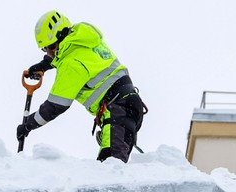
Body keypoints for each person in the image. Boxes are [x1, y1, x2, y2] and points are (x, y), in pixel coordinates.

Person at [16, 11, 145, 163]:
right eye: (45, 49)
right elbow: (65, 53)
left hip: (117, 111)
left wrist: (28, 125)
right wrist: (43, 65)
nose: (49, 52)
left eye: (50, 46)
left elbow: (55, 106)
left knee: (110, 170)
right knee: (112, 168)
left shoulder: (71, 65)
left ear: (61, 35)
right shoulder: (84, 38)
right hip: (128, 105)